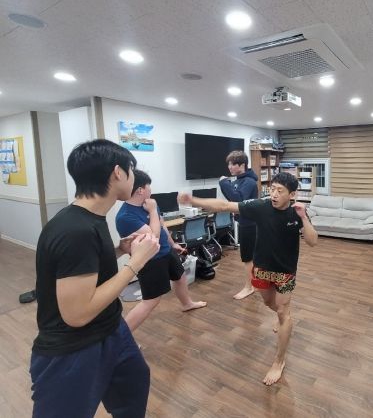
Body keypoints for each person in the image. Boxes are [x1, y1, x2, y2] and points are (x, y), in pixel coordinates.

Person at [30, 139, 160, 417]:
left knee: (135, 386)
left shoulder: (91, 219)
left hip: (112, 330)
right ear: (118, 173)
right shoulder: (73, 230)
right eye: (132, 171)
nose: (134, 177)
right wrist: (136, 262)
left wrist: (119, 250)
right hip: (73, 348)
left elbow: (85, 268)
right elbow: (77, 314)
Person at [178, 172, 317, 386]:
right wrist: (194, 201)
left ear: (292, 194)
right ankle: (282, 316)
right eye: (272, 189)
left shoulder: (296, 213)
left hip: (286, 271)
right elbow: (226, 206)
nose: (274, 194)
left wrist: (304, 217)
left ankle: (279, 360)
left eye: (280, 191)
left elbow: (312, 241)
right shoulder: (261, 206)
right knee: (269, 303)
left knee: (283, 311)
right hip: (261, 267)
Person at [116, 170, 206, 332]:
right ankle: (122, 338)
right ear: (140, 190)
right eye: (148, 186)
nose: (151, 189)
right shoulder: (125, 216)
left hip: (166, 251)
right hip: (149, 260)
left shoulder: (150, 204)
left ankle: (187, 304)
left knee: (180, 277)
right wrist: (152, 211)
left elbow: (162, 225)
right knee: (151, 301)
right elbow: (154, 237)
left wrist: (173, 244)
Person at [219, 150, 259, 300]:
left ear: (242, 165)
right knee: (251, 257)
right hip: (244, 222)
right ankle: (255, 283)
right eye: (228, 164)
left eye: (232, 164)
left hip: (250, 224)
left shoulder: (248, 182)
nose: (229, 167)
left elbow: (238, 200)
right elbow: (232, 199)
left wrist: (224, 183)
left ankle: (249, 287)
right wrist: (226, 185)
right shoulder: (238, 180)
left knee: (248, 257)